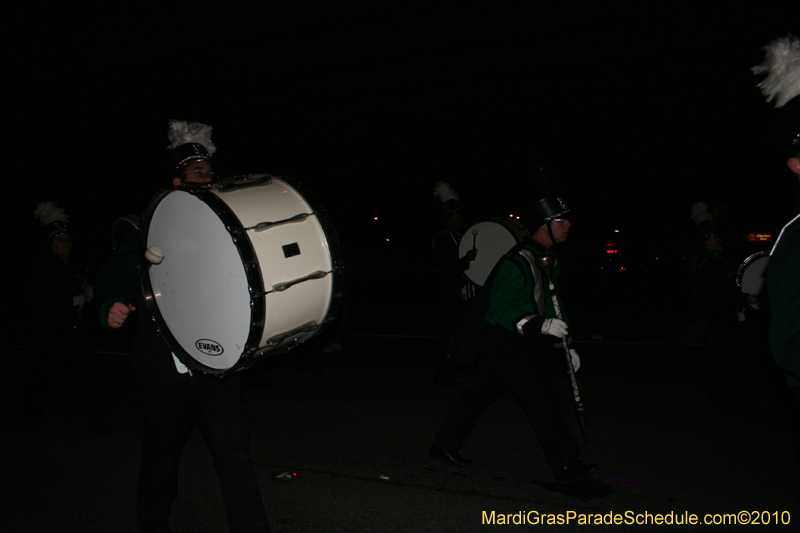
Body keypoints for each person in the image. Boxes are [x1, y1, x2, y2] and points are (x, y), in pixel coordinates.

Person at [95, 120, 271, 533]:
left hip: (218, 365)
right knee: (162, 455)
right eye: (196, 174)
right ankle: (153, 525)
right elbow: (113, 275)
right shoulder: (147, 226)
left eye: (209, 174)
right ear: (176, 182)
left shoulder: (229, 232)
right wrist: (109, 305)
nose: (205, 179)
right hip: (166, 369)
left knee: (235, 455)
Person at [429, 196, 594, 483]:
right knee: (542, 397)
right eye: (561, 221)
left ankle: (443, 445)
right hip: (503, 338)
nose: (568, 226)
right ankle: (565, 464)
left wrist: (565, 346)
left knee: (477, 395)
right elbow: (500, 309)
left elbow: (552, 305)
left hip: (519, 339)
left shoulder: (549, 259)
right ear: (545, 225)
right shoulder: (516, 260)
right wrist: (540, 326)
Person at [16, 201, 110, 432]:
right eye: (60, 239)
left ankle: (96, 420)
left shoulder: (70, 268)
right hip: (50, 334)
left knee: (85, 377)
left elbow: (76, 294)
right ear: (50, 244)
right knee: (42, 378)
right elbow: (35, 301)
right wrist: (70, 302)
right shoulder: (41, 266)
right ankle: (25, 419)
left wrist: (88, 295)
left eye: (67, 239)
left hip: (74, 334)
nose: (66, 243)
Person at [688, 202, 757, 402]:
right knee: (727, 354)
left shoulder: (712, 260)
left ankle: (722, 390)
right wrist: (746, 298)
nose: (718, 239)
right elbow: (723, 291)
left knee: (723, 354)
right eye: (714, 237)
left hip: (719, 314)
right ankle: (724, 391)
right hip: (722, 314)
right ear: (707, 241)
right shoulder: (712, 262)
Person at [431, 181, 477, 385]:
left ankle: (454, 371)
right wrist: (466, 260)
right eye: (458, 215)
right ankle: (442, 374)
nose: (462, 219)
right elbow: (447, 268)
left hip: (459, 295)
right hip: (449, 296)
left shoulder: (457, 236)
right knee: (448, 337)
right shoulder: (443, 237)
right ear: (449, 217)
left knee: (459, 336)